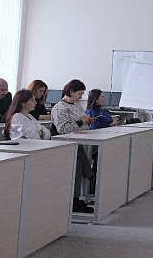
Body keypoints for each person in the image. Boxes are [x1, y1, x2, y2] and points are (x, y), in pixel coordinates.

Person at [51, 79, 95, 213]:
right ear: (71, 91)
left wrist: (86, 121)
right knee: (79, 160)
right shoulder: (60, 108)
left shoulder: (77, 106)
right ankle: (89, 180)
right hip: (65, 144)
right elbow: (63, 129)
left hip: (78, 141)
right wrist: (81, 121)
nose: (81, 97)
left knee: (84, 155)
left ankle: (85, 187)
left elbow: (84, 125)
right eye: (79, 94)